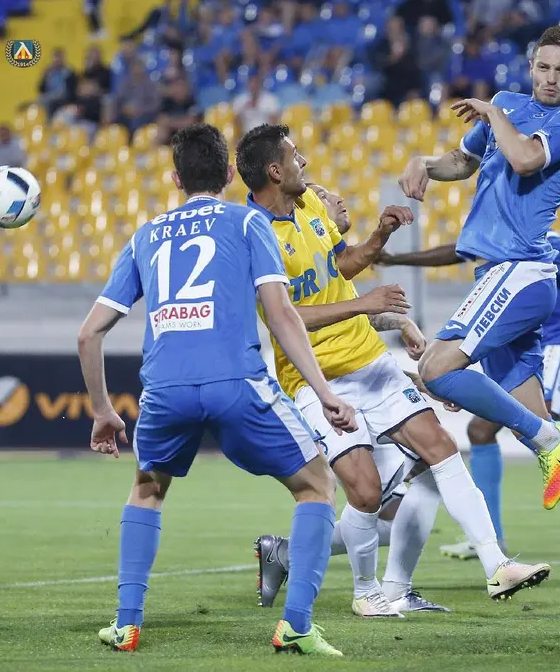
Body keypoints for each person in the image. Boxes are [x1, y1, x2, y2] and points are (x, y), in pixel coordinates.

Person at [236, 124, 552, 608]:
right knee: (365, 494)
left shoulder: (311, 204)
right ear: (275, 171)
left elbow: (342, 264)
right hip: (316, 379)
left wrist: (379, 235)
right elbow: (284, 317)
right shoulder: (254, 235)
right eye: (296, 156)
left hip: (370, 362)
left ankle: (495, 565)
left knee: (440, 448)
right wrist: (364, 305)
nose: (306, 163)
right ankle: (363, 592)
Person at [77, 123, 356, 656]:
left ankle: (127, 624)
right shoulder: (250, 222)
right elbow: (281, 314)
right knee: (317, 484)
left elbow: (88, 334)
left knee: (147, 490)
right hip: (236, 383)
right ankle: (296, 626)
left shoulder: (145, 235)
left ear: (176, 179)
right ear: (230, 174)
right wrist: (324, 392)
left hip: (165, 388)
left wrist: (102, 410)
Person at [398, 24, 560, 594]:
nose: (551, 79)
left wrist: (492, 111)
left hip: (521, 270)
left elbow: (526, 158)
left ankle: (551, 443)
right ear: (531, 67)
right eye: (544, 68)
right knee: (539, 425)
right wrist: (424, 162)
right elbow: (464, 162)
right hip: (496, 275)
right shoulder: (508, 105)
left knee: (435, 369)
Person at [251, 183, 449, 616]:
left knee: (395, 501)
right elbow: (322, 323)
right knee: (373, 496)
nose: (338, 199)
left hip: (358, 387)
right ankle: (372, 590)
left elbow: (354, 331)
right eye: (325, 195)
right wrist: (378, 312)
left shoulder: (330, 266)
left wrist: (412, 362)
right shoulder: (287, 251)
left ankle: (285, 554)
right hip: (325, 391)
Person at [373, 231, 560, 559]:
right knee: (483, 431)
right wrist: (396, 259)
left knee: (543, 425)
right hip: (521, 345)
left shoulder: (542, 241)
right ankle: (491, 537)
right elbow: (454, 251)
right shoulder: (492, 240)